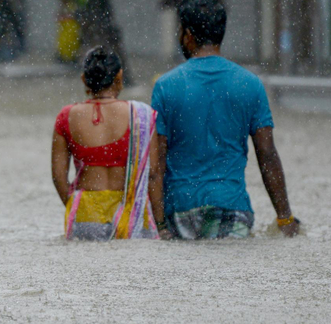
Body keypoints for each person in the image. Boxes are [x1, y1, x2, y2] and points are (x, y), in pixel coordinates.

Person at [151, 0, 299, 239]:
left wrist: (160, 226)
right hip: (232, 208)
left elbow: (156, 167)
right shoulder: (250, 84)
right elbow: (267, 155)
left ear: (187, 35)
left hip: (180, 211)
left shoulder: (165, 87)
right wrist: (285, 218)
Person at [51, 46, 166, 241]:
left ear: (83, 79)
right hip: (131, 212)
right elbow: (153, 174)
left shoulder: (67, 116)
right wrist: (161, 223)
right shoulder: (142, 115)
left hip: (86, 213)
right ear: (119, 76)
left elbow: (58, 177)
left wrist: (74, 205)